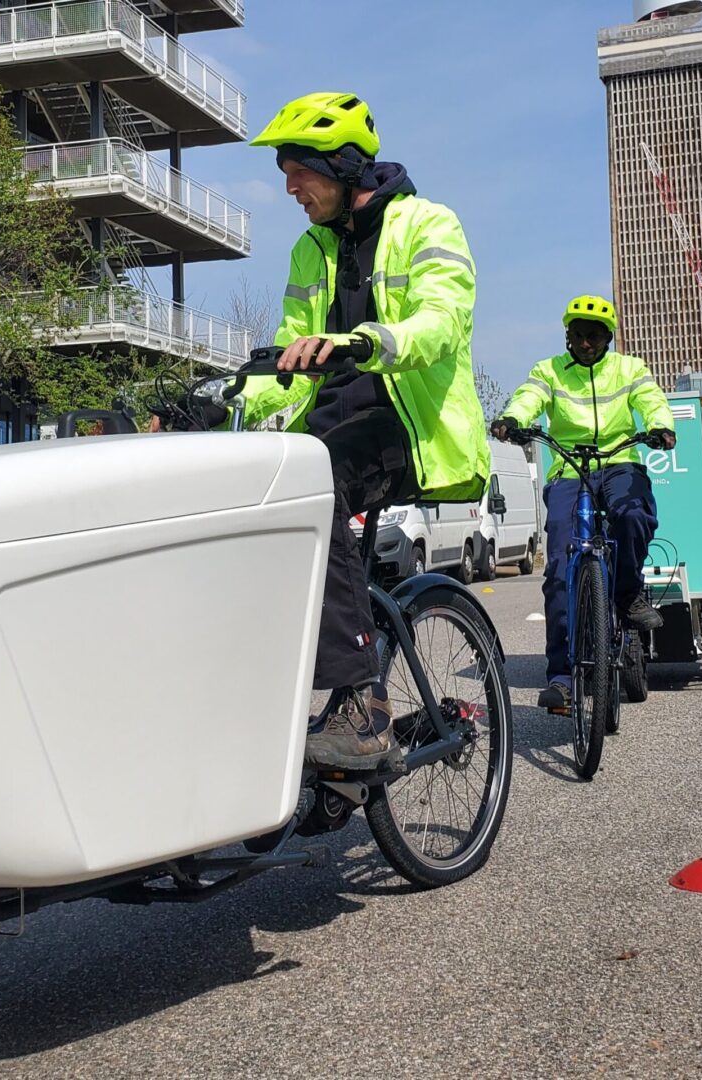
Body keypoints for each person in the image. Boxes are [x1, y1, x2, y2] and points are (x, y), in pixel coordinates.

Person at [232, 91, 487, 770]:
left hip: (408, 427)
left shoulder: (428, 223)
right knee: (244, 497)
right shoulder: (309, 249)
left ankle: (364, 708)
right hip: (332, 425)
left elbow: (443, 320)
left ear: (345, 167)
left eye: (300, 172)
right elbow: (288, 356)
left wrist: (368, 341)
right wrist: (228, 398)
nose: (289, 187)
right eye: (286, 171)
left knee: (316, 485)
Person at [491, 295, 675, 713]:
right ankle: (560, 677)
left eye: (595, 336)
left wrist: (659, 424)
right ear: (567, 336)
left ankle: (627, 595)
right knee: (558, 570)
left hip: (618, 463)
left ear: (608, 338)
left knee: (632, 514)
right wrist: (513, 418)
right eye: (579, 335)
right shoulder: (549, 370)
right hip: (570, 470)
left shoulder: (629, 369)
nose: (586, 343)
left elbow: (651, 398)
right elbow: (529, 396)